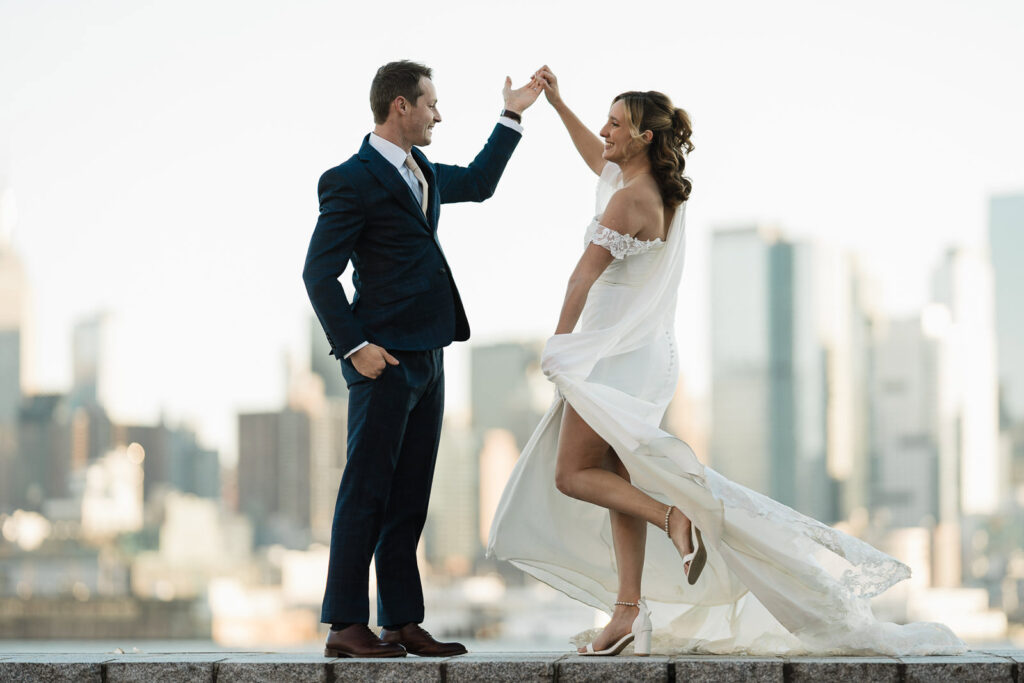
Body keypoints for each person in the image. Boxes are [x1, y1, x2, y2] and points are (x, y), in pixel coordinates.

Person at [487, 66, 966, 657]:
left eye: (616, 123)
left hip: (610, 357)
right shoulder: (652, 190)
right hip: (645, 359)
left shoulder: (627, 201)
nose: (605, 130)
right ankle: (628, 612)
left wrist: (558, 349)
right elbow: (598, 160)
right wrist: (558, 105)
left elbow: (581, 276)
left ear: (642, 138)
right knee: (618, 477)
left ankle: (672, 519)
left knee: (572, 474)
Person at [303, 60, 540, 658]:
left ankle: (401, 621)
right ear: (401, 106)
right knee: (366, 492)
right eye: (431, 103)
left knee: (410, 496)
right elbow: (319, 274)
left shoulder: (424, 172)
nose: (439, 114)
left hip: (430, 356)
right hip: (382, 360)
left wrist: (511, 114)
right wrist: (356, 348)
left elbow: (482, 182)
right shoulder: (349, 179)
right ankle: (345, 626)